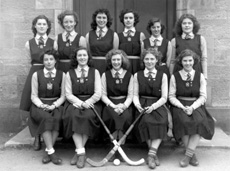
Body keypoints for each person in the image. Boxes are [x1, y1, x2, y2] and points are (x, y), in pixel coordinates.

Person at [169, 49, 215, 167]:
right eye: (185, 61)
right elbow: (171, 96)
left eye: (190, 60)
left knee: (199, 121)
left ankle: (188, 155)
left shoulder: (200, 76)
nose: (188, 63)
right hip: (179, 105)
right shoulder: (175, 76)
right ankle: (192, 154)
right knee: (183, 121)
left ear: (194, 61)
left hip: (196, 104)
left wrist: (192, 107)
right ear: (181, 62)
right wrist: (182, 106)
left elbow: (203, 96)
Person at [20, 15, 54, 151]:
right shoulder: (29, 43)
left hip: (49, 73)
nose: (41, 26)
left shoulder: (53, 42)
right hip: (35, 73)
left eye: (44, 24)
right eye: (38, 24)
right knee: (34, 104)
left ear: (47, 27)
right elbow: (28, 60)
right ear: (34, 26)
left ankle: (51, 135)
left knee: (49, 101)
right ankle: (37, 137)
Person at [63, 47, 101, 168]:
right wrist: (80, 103)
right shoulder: (70, 73)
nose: (82, 58)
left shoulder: (95, 72)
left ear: (88, 57)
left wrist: (88, 102)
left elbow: (98, 93)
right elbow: (68, 93)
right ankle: (81, 152)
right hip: (75, 102)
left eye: (84, 55)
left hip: (91, 102)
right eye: (79, 56)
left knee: (88, 116)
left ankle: (79, 151)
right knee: (73, 116)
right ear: (76, 58)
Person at [133, 48, 168, 169]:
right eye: (147, 59)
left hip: (157, 104)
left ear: (157, 60)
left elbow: (164, 97)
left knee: (162, 121)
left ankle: (151, 154)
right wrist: (138, 105)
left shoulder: (163, 75)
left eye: (152, 59)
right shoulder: (137, 75)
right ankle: (153, 153)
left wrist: (153, 107)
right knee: (146, 122)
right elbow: (135, 95)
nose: (149, 61)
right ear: (143, 60)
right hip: (142, 104)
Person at [29, 49, 65, 165]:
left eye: (51, 59)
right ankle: (51, 152)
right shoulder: (36, 75)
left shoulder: (62, 74)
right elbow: (33, 96)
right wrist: (42, 105)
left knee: (57, 118)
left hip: (56, 104)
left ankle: (48, 150)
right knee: (46, 118)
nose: (48, 62)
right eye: (46, 59)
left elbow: (63, 95)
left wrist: (55, 105)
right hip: (40, 105)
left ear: (55, 61)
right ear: (43, 61)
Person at [101, 49, 133, 158]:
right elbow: (103, 95)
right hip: (110, 104)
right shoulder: (105, 75)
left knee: (125, 117)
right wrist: (113, 106)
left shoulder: (129, 75)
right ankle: (114, 145)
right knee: (112, 117)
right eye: (113, 60)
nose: (116, 62)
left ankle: (120, 146)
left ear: (122, 61)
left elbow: (130, 95)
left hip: (124, 103)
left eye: (118, 59)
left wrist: (123, 106)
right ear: (110, 61)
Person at [170, 13, 208, 80]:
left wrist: (205, 76)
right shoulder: (174, 41)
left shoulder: (201, 39)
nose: (187, 25)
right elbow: (172, 61)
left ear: (194, 25)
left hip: (196, 72)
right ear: (180, 26)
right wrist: (171, 76)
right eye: (184, 23)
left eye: (189, 23)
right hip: (179, 73)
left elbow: (204, 59)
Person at [86, 8, 119, 75]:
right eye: (99, 17)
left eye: (104, 18)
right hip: (93, 66)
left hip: (108, 66)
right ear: (95, 19)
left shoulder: (114, 35)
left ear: (107, 20)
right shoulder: (88, 35)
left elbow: (115, 53)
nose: (101, 20)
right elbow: (87, 52)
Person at [118, 9, 146, 74]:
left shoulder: (140, 35)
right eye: (126, 18)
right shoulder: (118, 36)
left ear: (134, 20)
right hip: (123, 65)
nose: (128, 20)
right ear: (123, 20)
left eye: (131, 18)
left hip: (137, 65)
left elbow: (143, 53)